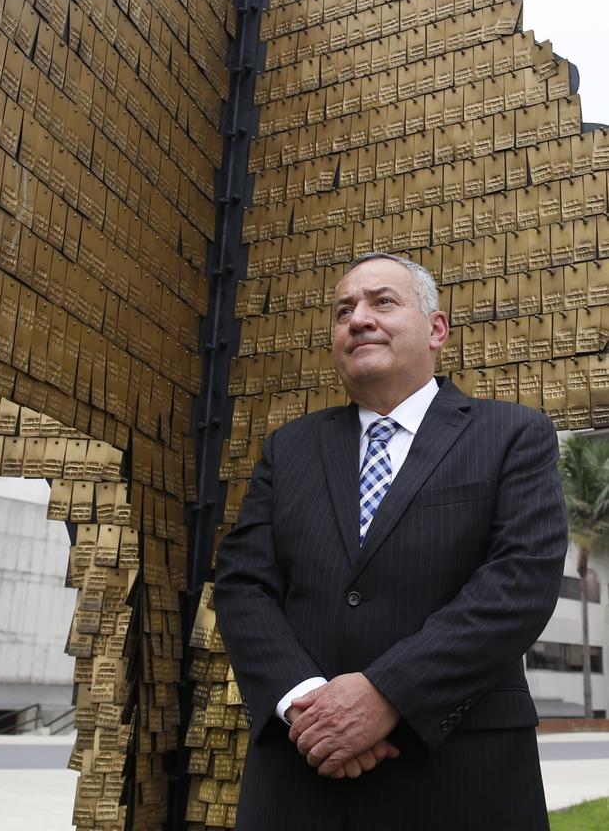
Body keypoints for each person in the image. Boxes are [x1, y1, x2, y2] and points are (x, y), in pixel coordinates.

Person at [214, 252, 567, 831]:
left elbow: (519, 584)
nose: (358, 319)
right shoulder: (288, 449)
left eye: (383, 302)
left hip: (460, 775)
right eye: (343, 309)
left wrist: (386, 694)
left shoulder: (513, 435)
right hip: (303, 776)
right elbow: (242, 584)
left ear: (436, 329)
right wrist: (308, 704)